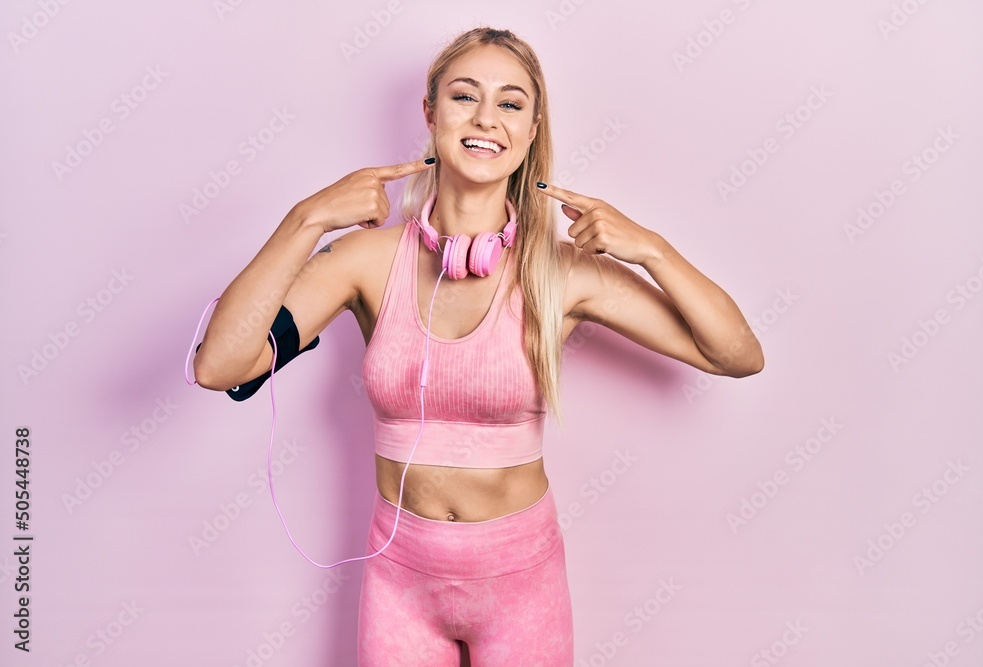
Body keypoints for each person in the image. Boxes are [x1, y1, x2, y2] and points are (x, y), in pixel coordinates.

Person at [192, 25, 763, 667]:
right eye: (465, 96)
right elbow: (220, 365)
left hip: (521, 581)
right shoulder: (365, 260)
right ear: (431, 114)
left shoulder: (561, 270)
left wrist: (651, 248)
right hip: (398, 576)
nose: (486, 117)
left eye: (511, 102)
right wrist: (306, 220)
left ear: (531, 128)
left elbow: (736, 354)